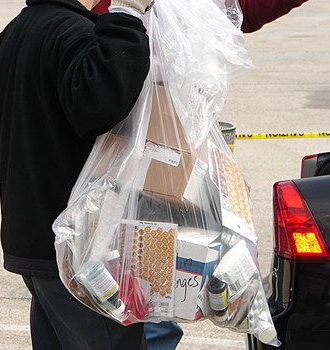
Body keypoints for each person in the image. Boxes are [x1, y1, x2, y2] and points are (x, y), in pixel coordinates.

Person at [91, 1, 309, 349]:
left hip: (168, 161)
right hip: (132, 161)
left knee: (157, 289)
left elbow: (247, 10)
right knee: (138, 287)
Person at [0, 0, 154, 349]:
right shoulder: (73, 33)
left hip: (32, 246)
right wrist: (128, 17)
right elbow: (99, 103)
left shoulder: (10, 36)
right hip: (77, 252)